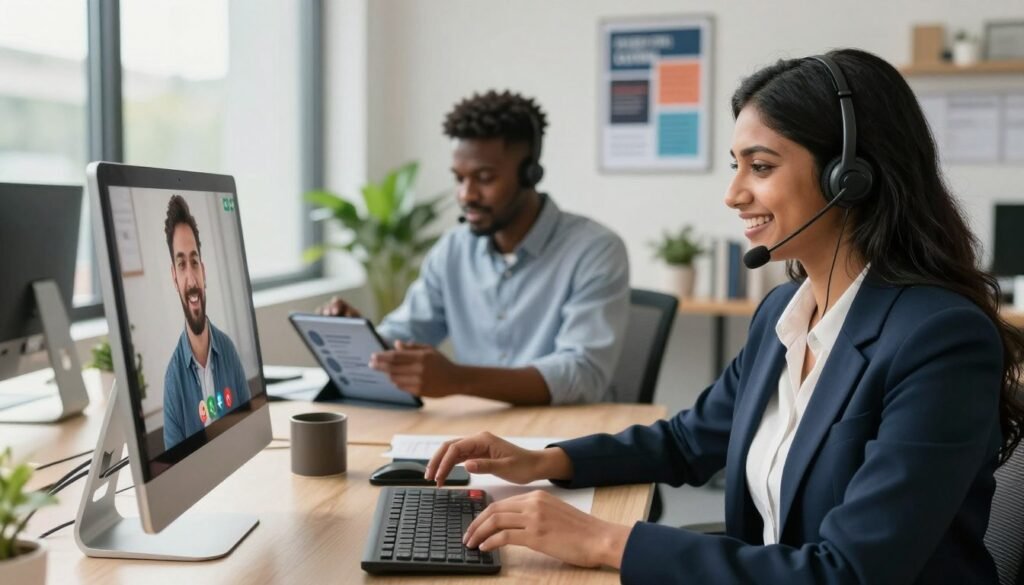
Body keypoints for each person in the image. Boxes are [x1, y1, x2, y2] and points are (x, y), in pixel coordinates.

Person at [424, 49, 1024, 584]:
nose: (733, 193)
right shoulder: (783, 313)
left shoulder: (939, 339)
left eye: (760, 167)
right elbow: (690, 439)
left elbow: (850, 571)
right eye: (735, 165)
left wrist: (607, 541)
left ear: (851, 178)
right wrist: (548, 460)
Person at [321, 90, 630, 406]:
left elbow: (583, 375)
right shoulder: (454, 248)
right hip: (473, 431)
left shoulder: (595, 250)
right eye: (459, 178)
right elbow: (407, 332)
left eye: (484, 178)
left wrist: (459, 379)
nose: (466, 195)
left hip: (565, 435)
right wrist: (358, 338)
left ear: (530, 174)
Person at [162, 195, 250, 451]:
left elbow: (249, 435)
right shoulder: (173, 380)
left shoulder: (229, 352)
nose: (190, 278)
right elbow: (174, 473)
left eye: (194, 262)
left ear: (204, 270)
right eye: (181, 265)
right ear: (174, 278)